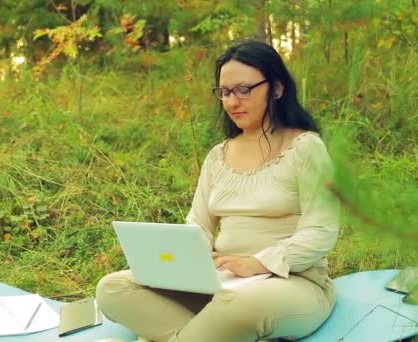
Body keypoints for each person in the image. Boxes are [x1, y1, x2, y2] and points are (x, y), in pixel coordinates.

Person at [96, 40, 340, 342]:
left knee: (235, 307)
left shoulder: (306, 148)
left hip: (292, 282)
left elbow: (322, 229)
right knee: (113, 288)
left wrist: (257, 263)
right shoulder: (218, 156)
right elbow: (198, 223)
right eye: (224, 92)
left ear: (276, 89)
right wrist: (181, 265)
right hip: (223, 282)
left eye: (243, 90)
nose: (232, 101)